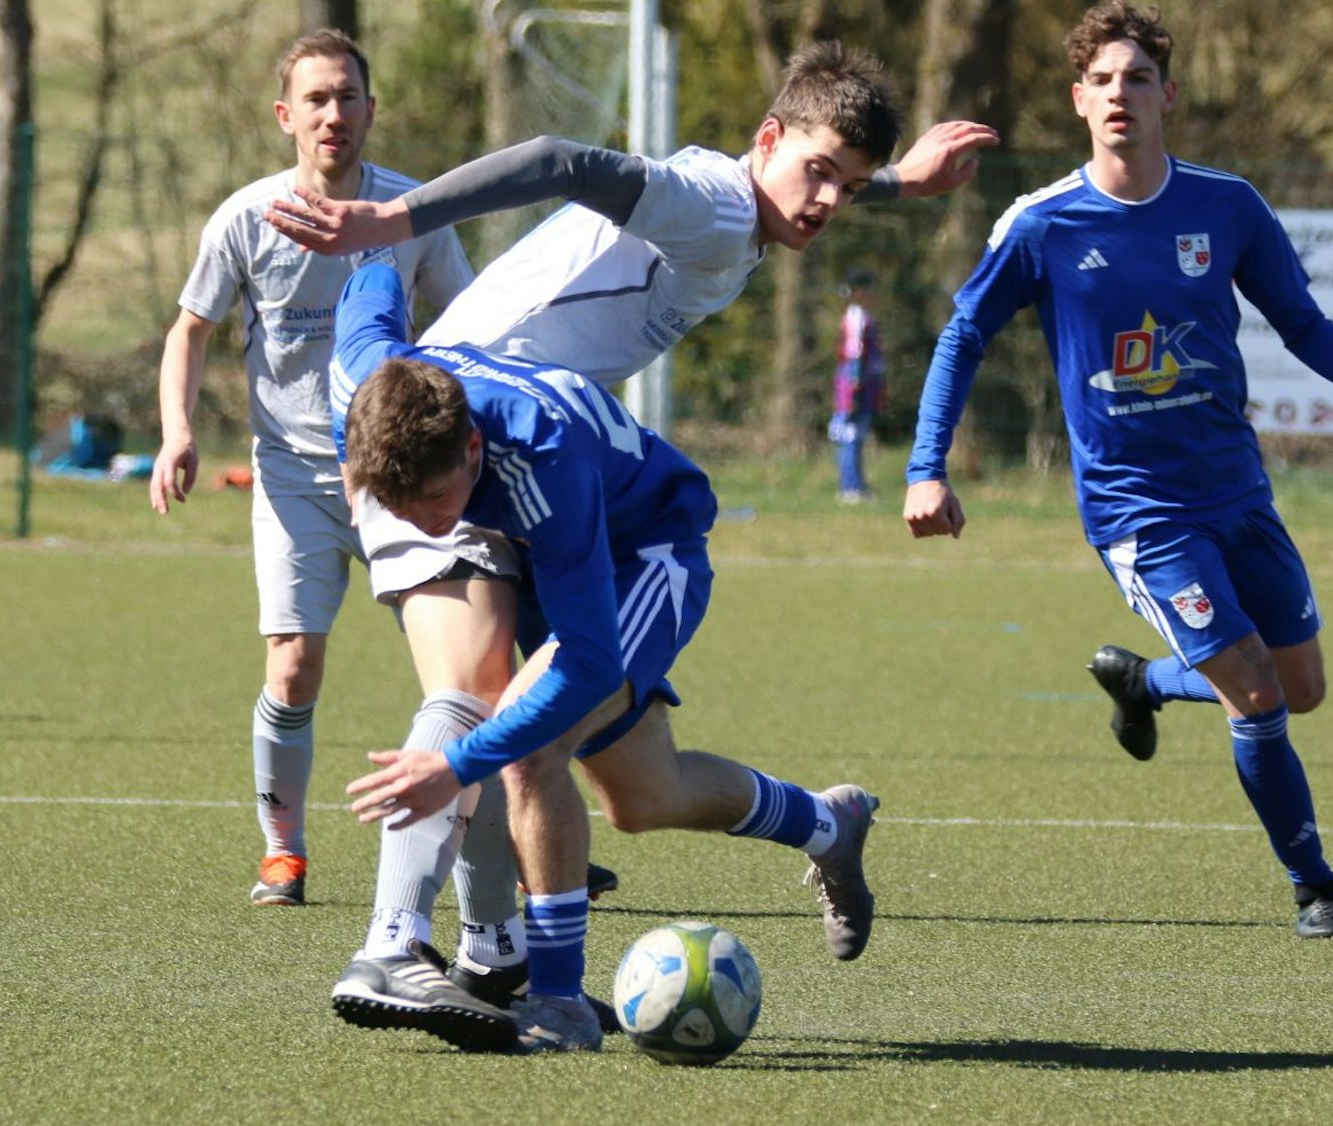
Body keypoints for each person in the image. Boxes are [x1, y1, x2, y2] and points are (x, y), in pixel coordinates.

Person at [265, 42, 997, 1043]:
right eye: (822, 174)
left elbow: (781, 176)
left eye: (848, 183)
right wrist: (388, 227)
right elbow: (560, 164)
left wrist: (892, 181)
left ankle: (515, 969)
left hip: (573, 492)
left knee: (552, 749)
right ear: (768, 139)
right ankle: (461, 946)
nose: (829, 200)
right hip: (462, 442)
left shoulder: (730, 207)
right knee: (573, 757)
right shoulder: (721, 206)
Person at [902, 1, 1333, 938]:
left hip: (1238, 494)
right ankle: (1314, 884)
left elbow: (1302, 323)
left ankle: (1147, 682)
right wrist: (926, 467)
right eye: (1102, 81)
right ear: (1079, 100)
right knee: (1257, 691)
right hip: (1139, 514)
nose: (1121, 94)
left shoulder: (1227, 207)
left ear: (1168, 96)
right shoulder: (1042, 223)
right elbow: (962, 337)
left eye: (1138, 79)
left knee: (1301, 686)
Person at [333, 262, 880, 1054]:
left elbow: (587, 665)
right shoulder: (367, 381)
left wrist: (456, 766)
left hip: (646, 554)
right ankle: (830, 824)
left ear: (474, 447)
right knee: (647, 796)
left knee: (531, 749)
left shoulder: (543, 458)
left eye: (437, 502)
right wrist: (377, 237)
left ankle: (558, 1002)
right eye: (397, 504)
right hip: (551, 558)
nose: (420, 523)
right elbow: (370, 284)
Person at [146, 30, 497, 948]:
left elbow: (469, 325)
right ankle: (284, 850)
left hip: (401, 481)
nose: (332, 113)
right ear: (285, 116)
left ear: (371, 110)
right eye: (315, 98)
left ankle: (500, 842)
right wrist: (179, 430)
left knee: (466, 672)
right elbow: (190, 331)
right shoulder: (245, 218)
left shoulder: (412, 212)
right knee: (294, 666)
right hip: (292, 478)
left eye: (347, 96)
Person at [830, 268, 887, 503]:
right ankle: (851, 487)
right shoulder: (857, 317)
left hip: (861, 383)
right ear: (861, 292)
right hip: (856, 385)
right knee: (850, 435)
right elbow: (855, 354)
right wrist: (854, 389)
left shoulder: (860, 315)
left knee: (855, 436)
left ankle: (855, 485)